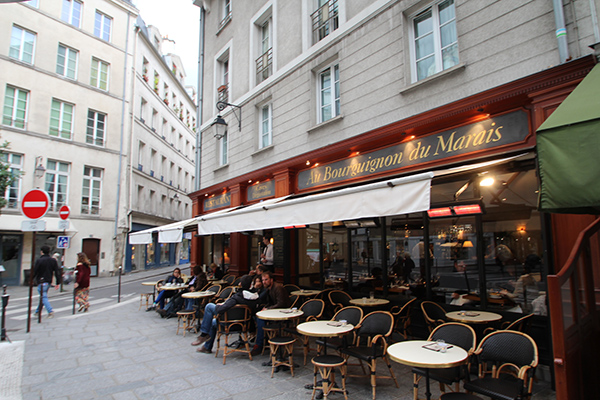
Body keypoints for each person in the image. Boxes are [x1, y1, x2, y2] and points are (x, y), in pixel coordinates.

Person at [194, 275, 266, 354]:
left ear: (240, 284)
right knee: (213, 322)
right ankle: (206, 346)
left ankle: (204, 335)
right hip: (245, 325)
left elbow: (221, 310)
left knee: (209, 307)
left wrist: (220, 305)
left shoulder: (237, 297)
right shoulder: (256, 298)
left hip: (229, 325)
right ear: (250, 285)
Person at [251, 270, 291, 356]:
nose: (264, 282)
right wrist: (265, 307)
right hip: (275, 311)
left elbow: (281, 304)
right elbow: (269, 302)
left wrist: (268, 309)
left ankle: (259, 344)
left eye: (266, 280)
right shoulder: (268, 288)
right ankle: (263, 338)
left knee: (260, 320)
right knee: (256, 317)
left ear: (271, 280)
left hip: (283, 313)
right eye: (263, 280)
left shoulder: (278, 288)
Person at [33, 245, 62, 318]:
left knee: (43, 296)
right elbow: (56, 272)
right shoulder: (53, 260)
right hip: (48, 281)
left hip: (41, 281)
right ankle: (37, 311)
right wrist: (58, 282)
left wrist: (31, 280)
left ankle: (50, 311)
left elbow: (35, 271)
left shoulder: (39, 260)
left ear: (41, 252)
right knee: (43, 296)